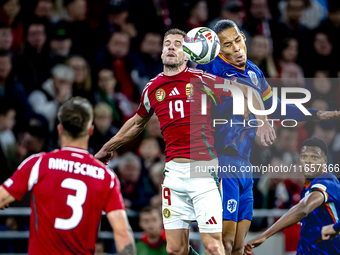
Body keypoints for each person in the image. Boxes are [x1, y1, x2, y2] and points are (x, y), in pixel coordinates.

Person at [95, 28, 273, 255]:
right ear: (161, 53)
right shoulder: (152, 88)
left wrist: (263, 121)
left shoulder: (204, 79)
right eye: (166, 43)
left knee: (213, 245)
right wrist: (107, 148)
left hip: (204, 172)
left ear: (188, 53)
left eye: (177, 44)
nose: (170, 46)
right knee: (175, 250)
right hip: (173, 174)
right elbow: (136, 123)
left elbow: (248, 91)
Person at [196, 19, 340, 255]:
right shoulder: (214, 69)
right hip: (222, 160)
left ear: (243, 36)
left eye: (237, 41)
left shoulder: (254, 71)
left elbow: (274, 105)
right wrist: (262, 121)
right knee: (225, 240)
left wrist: (316, 114)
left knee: (239, 246)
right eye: (227, 46)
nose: (236, 49)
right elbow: (245, 93)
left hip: (244, 164)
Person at [0, 97, 136, 255]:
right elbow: (122, 232)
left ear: (59, 129)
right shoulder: (106, 176)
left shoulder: (38, 163)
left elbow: (2, 198)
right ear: (90, 130)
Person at [246, 137, 340, 255]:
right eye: (304, 156)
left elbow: (303, 208)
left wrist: (263, 236)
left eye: (314, 157)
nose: (308, 161)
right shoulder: (307, 188)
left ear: (325, 160)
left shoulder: (327, 182)